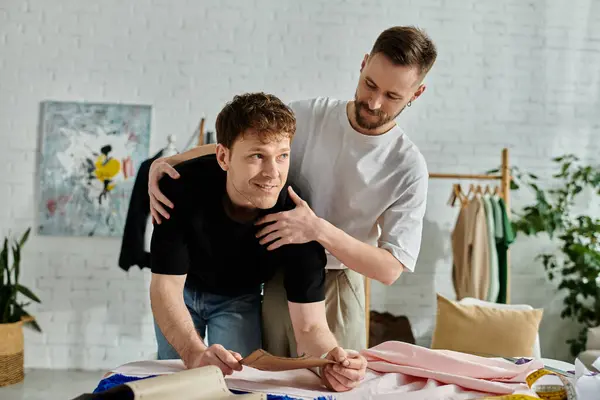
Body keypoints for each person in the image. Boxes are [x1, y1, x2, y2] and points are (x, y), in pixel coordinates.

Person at [149, 26, 437, 356]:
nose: (373, 102)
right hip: (278, 271)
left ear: (416, 93)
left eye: (392, 96)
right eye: (370, 84)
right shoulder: (309, 114)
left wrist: (317, 229)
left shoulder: (407, 165)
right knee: (264, 375)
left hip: (337, 281)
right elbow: (247, 144)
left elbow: (389, 269)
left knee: (333, 375)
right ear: (363, 63)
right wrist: (170, 162)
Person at [149, 92, 367, 392]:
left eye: (282, 156)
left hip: (239, 297)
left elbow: (310, 326)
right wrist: (194, 353)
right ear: (224, 157)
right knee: (179, 385)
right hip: (182, 290)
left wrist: (331, 361)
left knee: (241, 383)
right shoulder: (181, 188)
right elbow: (165, 289)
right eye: (257, 156)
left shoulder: (296, 217)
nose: (272, 173)